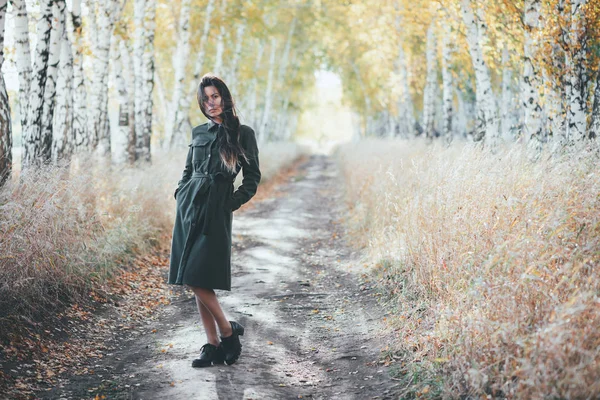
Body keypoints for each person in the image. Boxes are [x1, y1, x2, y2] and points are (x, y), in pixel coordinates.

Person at [168, 73, 261, 367]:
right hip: (189, 208)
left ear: (225, 98)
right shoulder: (198, 132)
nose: (210, 103)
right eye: (205, 98)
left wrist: (229, 204)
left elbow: (252, 177)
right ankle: (212, 346)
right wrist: (180, 193)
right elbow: (187, 170)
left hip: (215, 209)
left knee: (197, 274)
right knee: (196, 276)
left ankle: (227, 331)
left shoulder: (242, 133)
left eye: (215, 96)